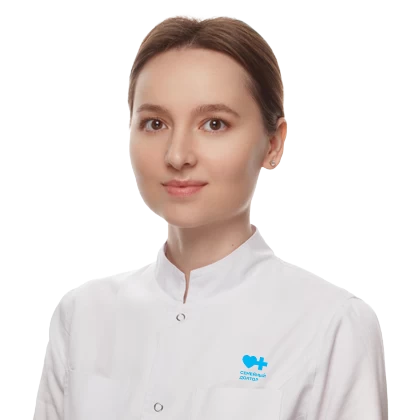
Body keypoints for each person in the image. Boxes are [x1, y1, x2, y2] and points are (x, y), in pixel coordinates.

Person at [32, 13, 388, 420]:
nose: (177, 155)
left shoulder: (333, 325)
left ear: (274, 143)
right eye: (155, 123)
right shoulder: (81, 317)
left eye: (214, 124)